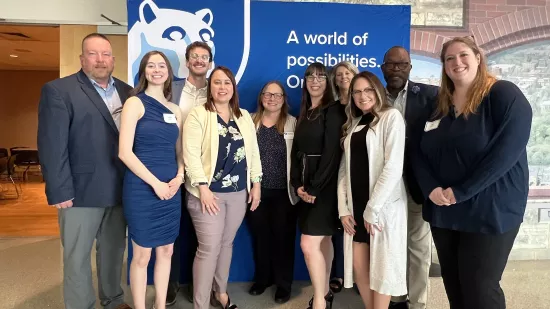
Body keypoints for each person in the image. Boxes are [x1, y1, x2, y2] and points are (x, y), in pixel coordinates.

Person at [412, 36, 532, 309]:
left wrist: (461, 191)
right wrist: (430, 188)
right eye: (449, 58)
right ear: (444, 66)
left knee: (480, 288)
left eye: (463, 55)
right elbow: (417, 151)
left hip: (490, 210)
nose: (457, 62)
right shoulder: (436, 104)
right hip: (444, 210)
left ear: (478, 57)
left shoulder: (503, 94)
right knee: (454, 285)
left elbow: (506, 153)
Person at [37, 33, 132, 309]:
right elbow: (52, 145)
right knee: (77, 257)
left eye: (105, 54)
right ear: (82, 58)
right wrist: (58, 189)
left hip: (120, 189)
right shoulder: (59, 90)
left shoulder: (128, 92)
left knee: (114, 251)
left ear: (113, 59)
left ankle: (113, 300)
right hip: (79, 192)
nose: (100, 60)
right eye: (93, 54)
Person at [182, 66, 262, 309]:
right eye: (217, 82)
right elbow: (191, 154)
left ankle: (221, 293)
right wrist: (203, 187)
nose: (222, 87)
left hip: (238, 193)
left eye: (227, 82)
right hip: (207, 194)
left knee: (226, 244)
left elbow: (253, 153)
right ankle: (201, 304)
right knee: (208, 249)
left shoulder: (244, 116)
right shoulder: (198, 115)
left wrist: (256, 183)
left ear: (233, 87)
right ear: (210, 87)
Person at [337, 71, 408, 309]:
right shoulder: (355, 123)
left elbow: (393, 167)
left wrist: (373, 209)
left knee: (382, 274)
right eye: (356, 91)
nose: (362, 96)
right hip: (356, 210)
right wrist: (343, 209)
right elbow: (344, 172)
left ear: (377, 90)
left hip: (381, 211)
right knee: (360, 271)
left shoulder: (391, 117)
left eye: (367, 90)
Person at [119, 51, 184, 309]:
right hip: (142, 188)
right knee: (142, 255)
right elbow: (125, 152)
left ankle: (159, 304)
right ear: (144, 71)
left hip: (171, 188)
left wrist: (179, 177)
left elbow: (179, 151)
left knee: (167, 251)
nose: (156, 69)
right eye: (151, 65)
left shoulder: (175, 109)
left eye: (161, 65)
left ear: (168, 71)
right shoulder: (135, 103)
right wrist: (155, 183)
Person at [380, 46, 439, 309]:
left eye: (402, 65)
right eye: (391, 65)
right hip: (383, 186)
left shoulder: (430, 96)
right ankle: (396, 297)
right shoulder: (372, 97)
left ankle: (417, 303)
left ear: (410, 68)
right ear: (383, 68)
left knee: (417, 247)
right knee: (391, 245)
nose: (396, 69)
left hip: (417, 184)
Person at [289, 62, 346, 309]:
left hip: (323, 188)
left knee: (308, 243)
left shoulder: (332, 110)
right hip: (305, 185)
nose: (315, 80)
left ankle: (320, 301)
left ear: (329, 81)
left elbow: (332, 153)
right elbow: (297, 152)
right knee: (323, 242)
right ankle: (325, 292)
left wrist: (314, 188)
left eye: (321, 76)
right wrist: (296, 184)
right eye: (310, 76)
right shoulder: (305, 111)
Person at [168, 41, 213, 306]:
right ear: (187, 61)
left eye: (204, 57)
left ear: (209, 63)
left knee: (204, 235)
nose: (198, 60)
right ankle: (171, 283)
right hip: (171, 169)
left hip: (203, 173)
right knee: (171, 231)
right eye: (194, 56)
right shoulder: (170, 88)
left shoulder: (218, 90)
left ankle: (202, 285)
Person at [247, 81, 299, 304]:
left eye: (277, 95)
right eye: (267, 94)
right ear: (261, 97)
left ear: (284, 99)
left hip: (283, 193)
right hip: (256, 191)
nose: (272, 98)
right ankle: (263, 279)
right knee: (260, 237)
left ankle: (283, 284)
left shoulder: (292, 123)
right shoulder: (250, 121)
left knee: (283, 239)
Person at [328, 61, 359, 294]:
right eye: (339, 74)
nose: (343, 77)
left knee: (359, 224)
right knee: (338, 223)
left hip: (358, 168)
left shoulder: (363, 104)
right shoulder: (332, 107)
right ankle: (338, 272)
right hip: (335, 169)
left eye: (347, 73)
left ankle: (359, 275)